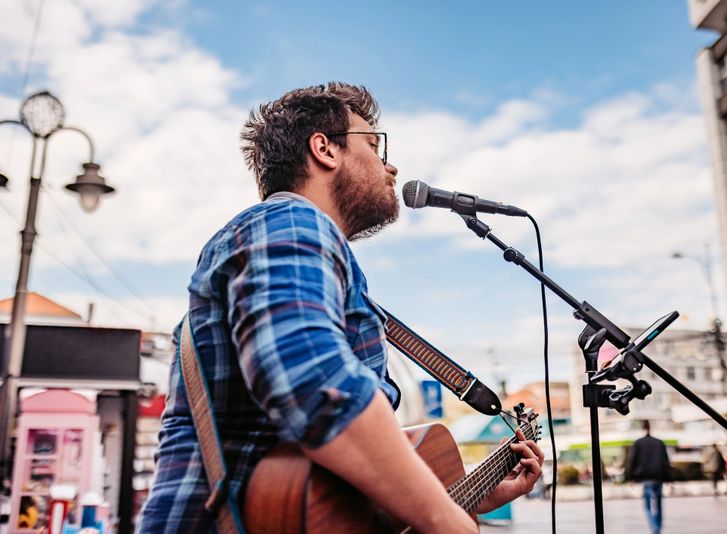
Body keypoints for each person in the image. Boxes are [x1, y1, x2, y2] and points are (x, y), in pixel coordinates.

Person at [138, 82, 543, 533]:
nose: (390, 166)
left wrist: (469, 496)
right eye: (374, 145)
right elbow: (313, 381)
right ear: (324, 149)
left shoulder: (289, 242)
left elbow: (332, 491)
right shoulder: (292, 219)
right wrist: (444, 518)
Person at [626, 420, 672, 534]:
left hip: (645, 477)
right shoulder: (659, 443)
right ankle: (658, 528)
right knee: (658, 504)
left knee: (647, 506)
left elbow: (632, 461)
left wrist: (630, 477)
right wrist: (669, 479)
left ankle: (654, 527)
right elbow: (665, 462)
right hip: (658, 477)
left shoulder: (638, 443)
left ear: (642, 428)